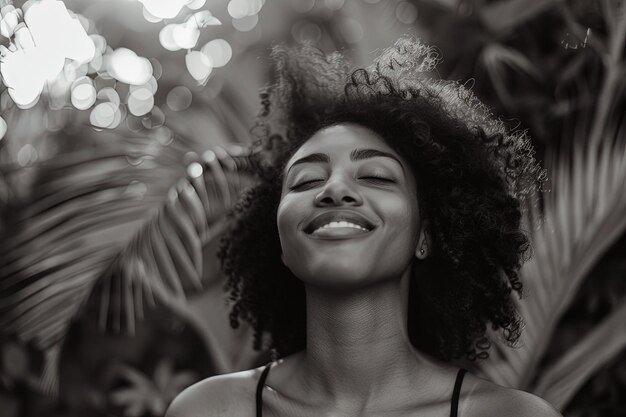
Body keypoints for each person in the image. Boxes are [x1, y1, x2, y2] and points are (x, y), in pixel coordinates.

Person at [165, 37, 561, 417]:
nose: (335, 189)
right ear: (281, 245)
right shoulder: (209, 410)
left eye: (376, 176)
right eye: (305, 181)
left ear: (425, 234)